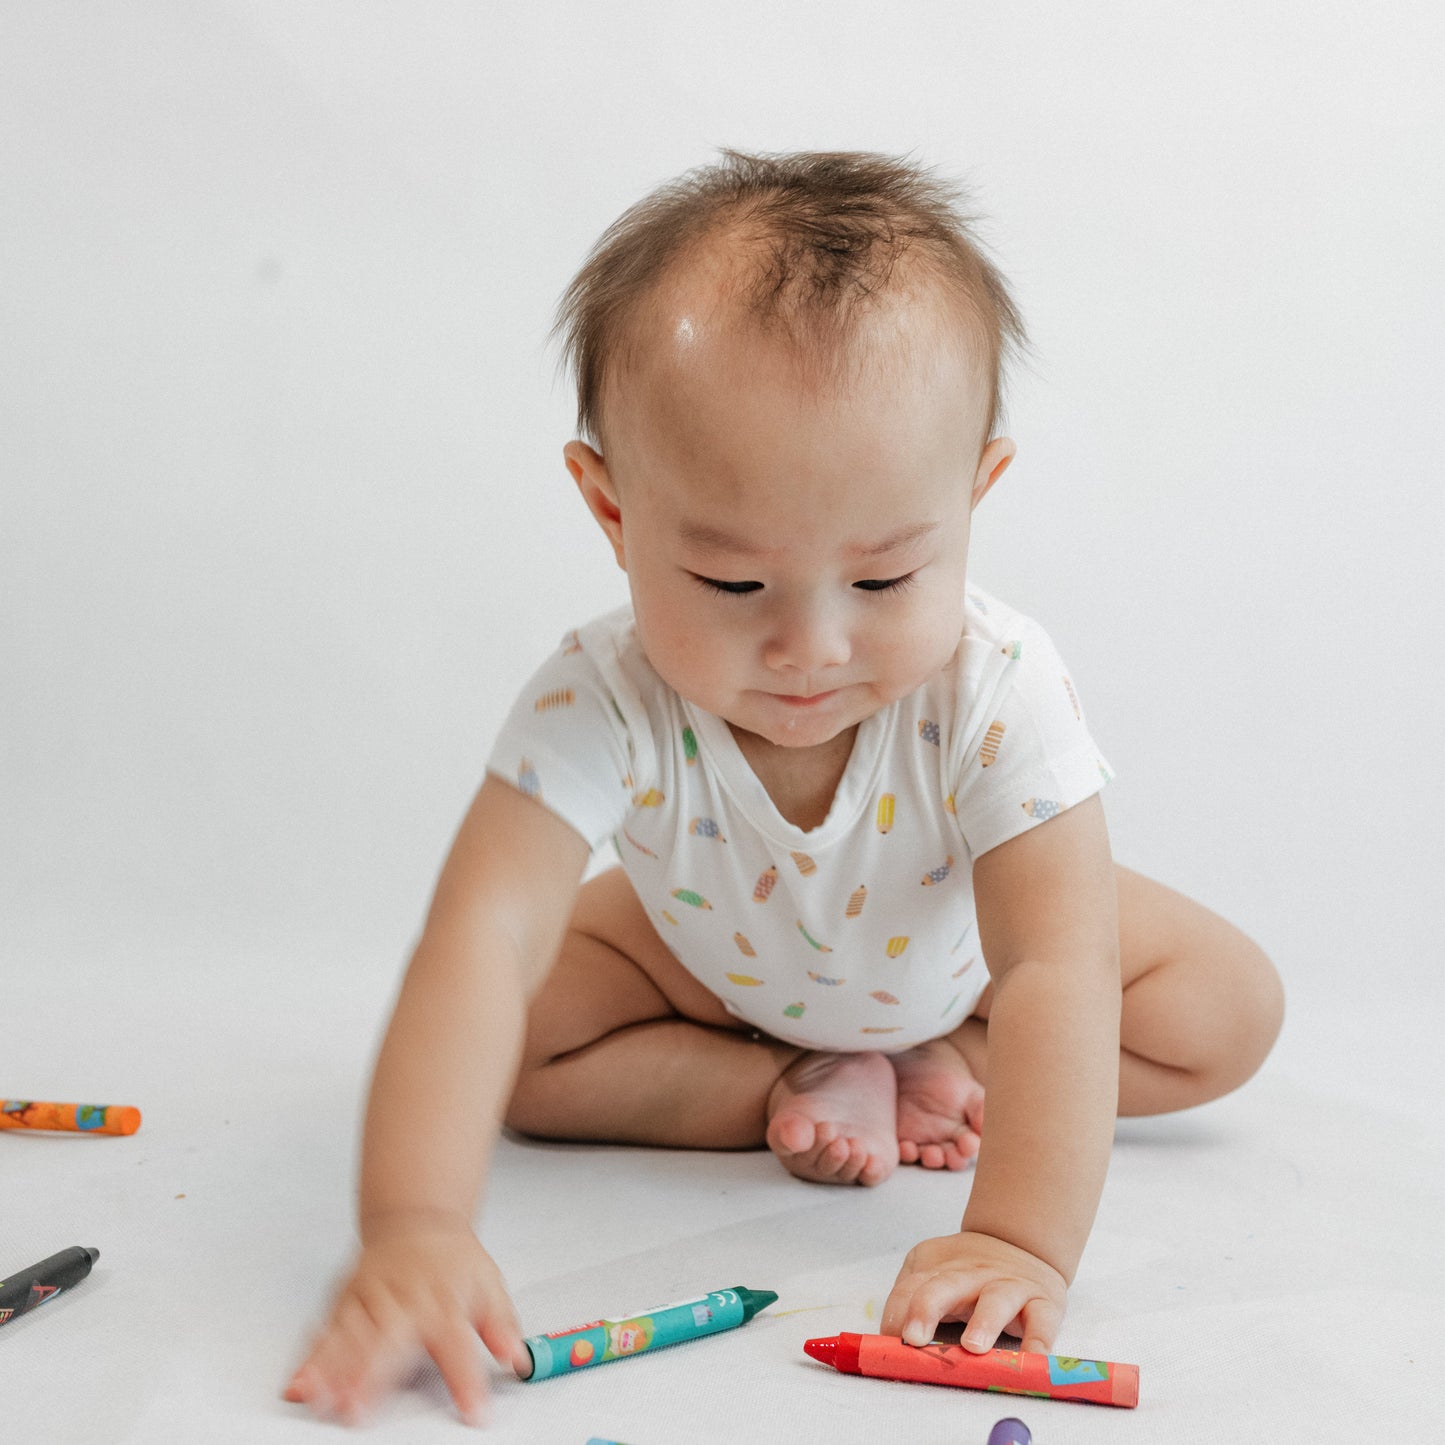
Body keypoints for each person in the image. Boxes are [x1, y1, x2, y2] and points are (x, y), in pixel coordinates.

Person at [284, 150, 1284, 1426]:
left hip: (963, 952)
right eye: (731, 584)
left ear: (972, 492)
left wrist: (1018, 1240)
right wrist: (414, 1221)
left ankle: (949, 1060)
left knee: (1224, 1008)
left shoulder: (997, 686)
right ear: (611, 508)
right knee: (521, 1051)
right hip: (716, 955)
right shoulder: (599, 692)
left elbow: (1056, 966)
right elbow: (479, 940)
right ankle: (785, 1086)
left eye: (880, 583)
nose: (811, 647)